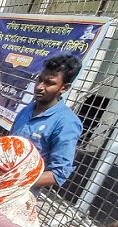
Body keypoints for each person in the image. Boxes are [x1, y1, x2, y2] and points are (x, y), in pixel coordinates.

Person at [10, 55, 83, 190]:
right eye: (39, 80)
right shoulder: (27, 109)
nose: (39, 87)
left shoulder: (67, 123)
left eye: (49, 83)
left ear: (64, 88)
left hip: (21, 194)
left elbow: (58, 173)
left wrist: (14, 181)